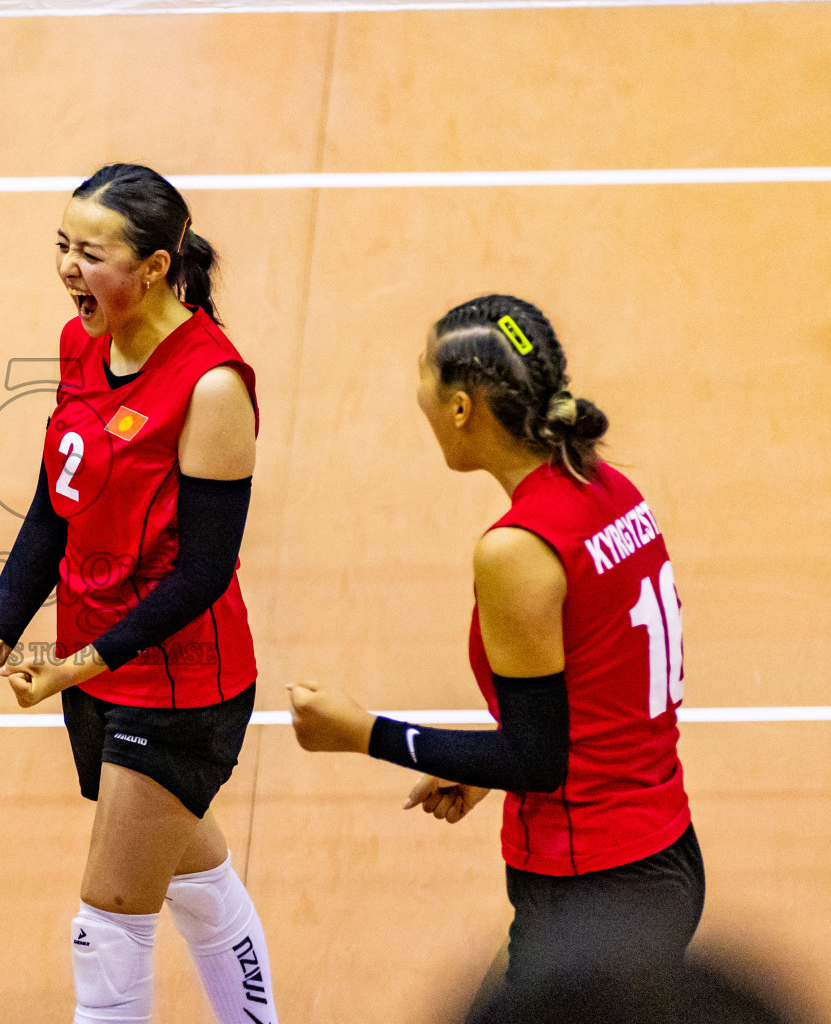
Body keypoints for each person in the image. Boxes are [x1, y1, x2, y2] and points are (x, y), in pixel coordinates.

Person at [288, 295, 703, 1000]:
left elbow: (536, 761)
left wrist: (364, 734)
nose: (415, 385)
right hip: (657, 855)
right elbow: (593, 695)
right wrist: (487, 769)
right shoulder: (606, 485)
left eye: (422, 371)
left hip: (592, 889)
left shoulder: (517, 549)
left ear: (459, 408)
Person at [0, 165, 280, 1024]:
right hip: (96, 674)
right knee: (194, 879)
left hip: (178, 686)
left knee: (108, 926)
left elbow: (204, 573)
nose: (67, 268)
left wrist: (72, 666)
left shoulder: (211, 387)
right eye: (62, 246)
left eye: (90, 254)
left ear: (158, 266)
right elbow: (54, 507)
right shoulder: (79, 344)